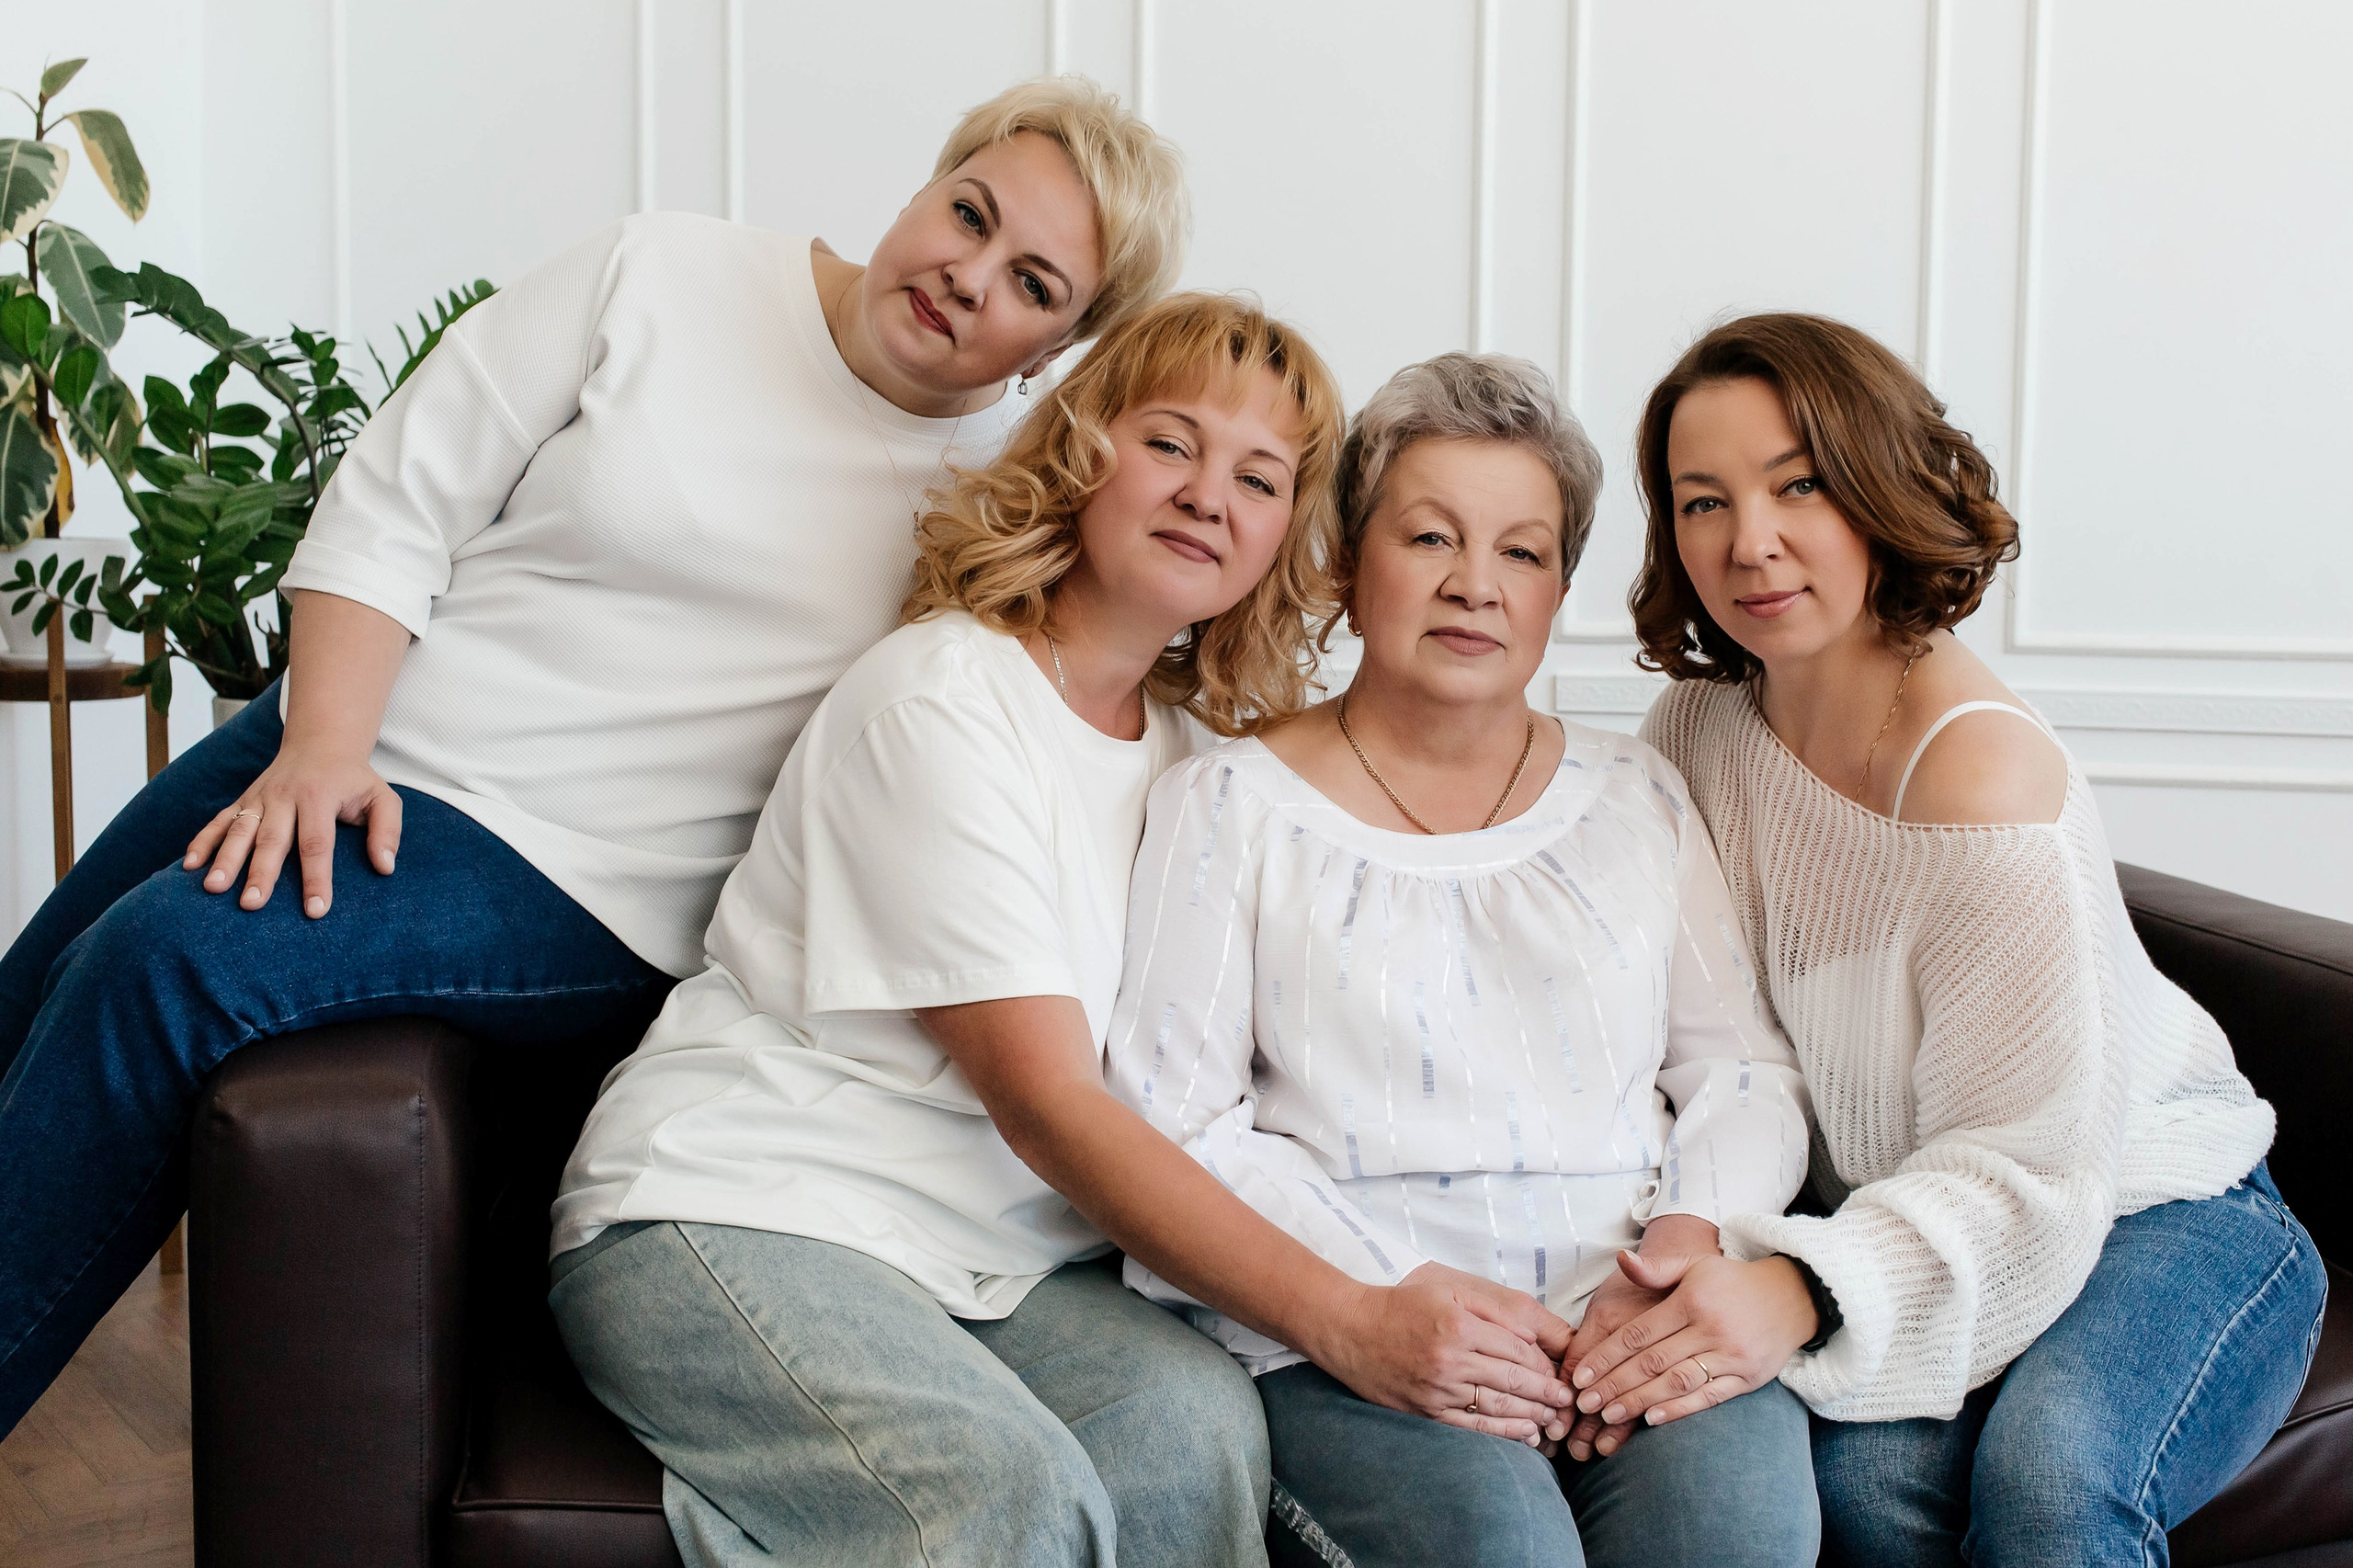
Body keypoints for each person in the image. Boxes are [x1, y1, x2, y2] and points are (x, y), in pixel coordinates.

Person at [0, 75, 1187, 1437]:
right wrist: (322, 744)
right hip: (349, 730)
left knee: (168, 962)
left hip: (585, 877)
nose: (970, 278)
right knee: (35, 981)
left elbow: (1110, 646)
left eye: (1033, 284)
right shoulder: (659, 271)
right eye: (970, 216)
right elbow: (399, 494)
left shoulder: (998, 506)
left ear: (1058, 347)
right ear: (927, 185)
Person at [549, 292, 1349, 1568]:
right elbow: (1048, 1106)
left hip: (993, 1270)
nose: (1211, 493)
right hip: (743, 1207)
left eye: (1260, 476)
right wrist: (1350, 1320)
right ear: (1085, 449)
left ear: (1280, 539)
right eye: (1173, 442)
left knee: (1193, 1431)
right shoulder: (944, 696)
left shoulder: (1201, 768)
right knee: (1005, 1497)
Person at [1565, 312, 2325, 1565]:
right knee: (1867, 1499)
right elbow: (1677, 1028)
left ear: (1877, 487)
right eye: (1703, 502)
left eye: (1797, 483)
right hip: (1921, 1209)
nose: (1748, 541)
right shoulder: (1697, 730)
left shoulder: (1980, 782)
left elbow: (2031, 1164)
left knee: (2050, 1488)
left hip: (2162, 1203)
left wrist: (1797, 1287)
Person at [1105, 353, 1822, 1568]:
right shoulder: (1224, 802)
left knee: (1738, 1539)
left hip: (1626, 1317)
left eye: (1522, 552)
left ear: (1556, 590)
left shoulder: (1638, 793)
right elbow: (1175, 1122)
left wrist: (1688, 1240)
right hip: (1345, 1338)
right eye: (1429, 536)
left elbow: (1742, 1072)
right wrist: (1392, 1303)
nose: (1473, 585)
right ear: (1347, 559)